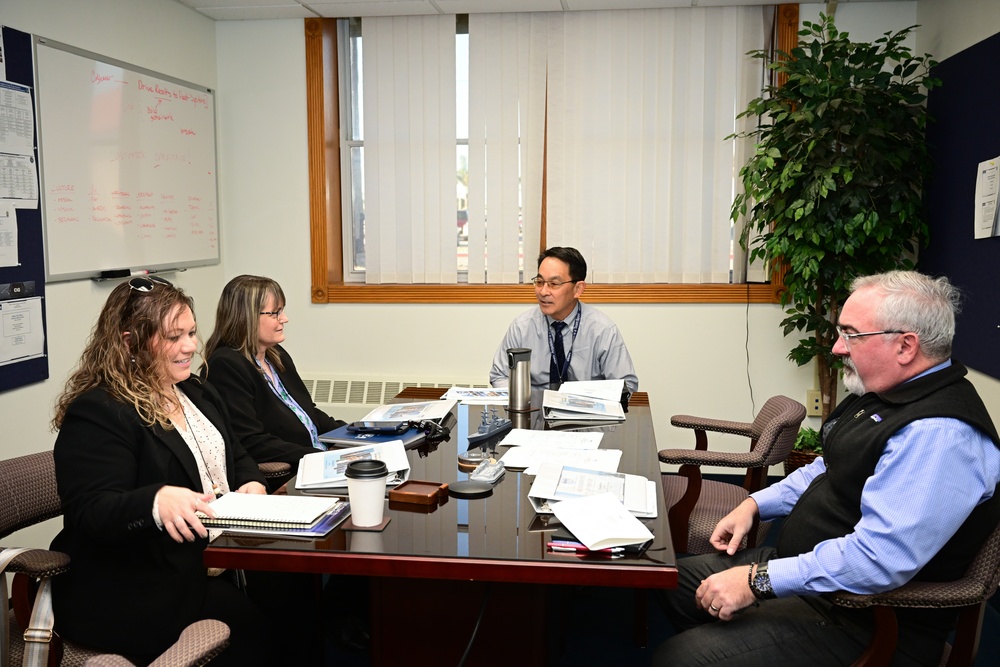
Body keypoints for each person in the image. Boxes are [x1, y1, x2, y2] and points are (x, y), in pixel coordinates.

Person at [652, 270, 1000, 667]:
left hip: (863, 617)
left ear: (905, 346)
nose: (837, 347)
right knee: (673, 582)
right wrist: (754, 505)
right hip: (812, 576)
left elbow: (876, 560)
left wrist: (757, 581)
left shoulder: (938, 436)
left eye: (851, 334)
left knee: (677, 659)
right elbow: (827, 468)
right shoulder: (884, 392)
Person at [50, 275, 274, 665]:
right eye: (174, 337)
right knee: (257, 630)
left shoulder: (195, 391)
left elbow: (234, 451)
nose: (190, 346)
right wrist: (154, 502)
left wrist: (251, 479)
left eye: (190, 332)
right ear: (129, 342)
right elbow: (92, 512)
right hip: (139, 585)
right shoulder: (100, 411)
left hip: (215, 555)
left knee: (296, 597)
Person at [203, 275, 345, 490]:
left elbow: (309, 413)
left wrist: (352, 434)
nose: (284, 318)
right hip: (294, 472)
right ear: (247, 316)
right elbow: (250, 441)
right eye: (276, 312)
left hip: (315, 460)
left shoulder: (275, 354)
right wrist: (318, 457)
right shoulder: (225, 365)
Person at [489, 246, 638, 394]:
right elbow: (500, 375)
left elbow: (626, 385)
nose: (543, 291)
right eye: (540, 282)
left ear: (578, 289)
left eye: (554, 284)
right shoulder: (522, 327)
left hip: (585, 413)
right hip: (534, 412)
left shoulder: (602, 330)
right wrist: (522, 401)